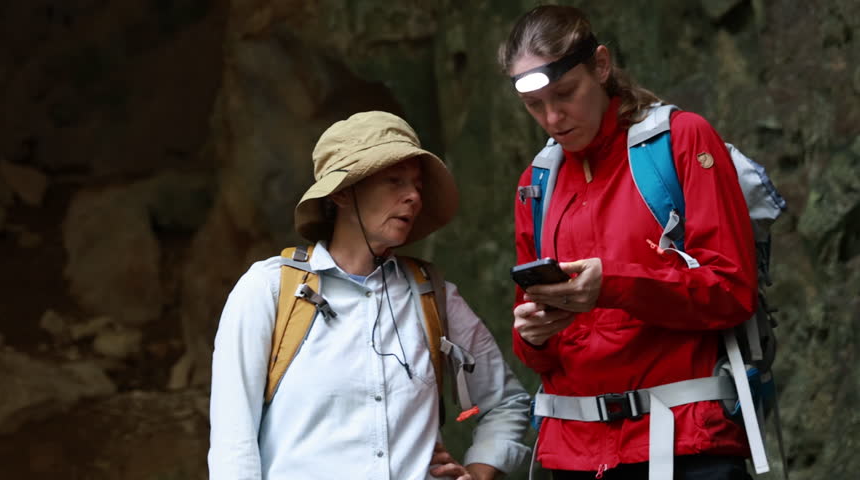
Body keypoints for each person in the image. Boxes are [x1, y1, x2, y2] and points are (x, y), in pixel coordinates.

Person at [499, 5, 758, 480]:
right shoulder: (537, 184)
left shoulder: (681, 140)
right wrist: (532, 335)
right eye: (535, 106)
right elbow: (537, 352)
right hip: (574, 453)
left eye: (566, 93)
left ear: (601, 66)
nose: (553, 117)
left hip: (685, 442)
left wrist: (614, 284)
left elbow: (733, 289)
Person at [207, 111, 531, 480]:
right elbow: (234, 446)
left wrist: (479, 471)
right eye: (394, 181)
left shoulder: (432, 294)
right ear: (343, 192)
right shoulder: (268, 290)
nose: (413, 197)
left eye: (418, 186)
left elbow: (506, 403)